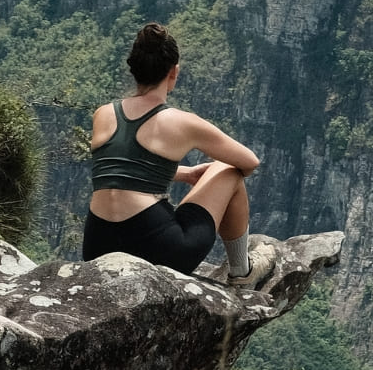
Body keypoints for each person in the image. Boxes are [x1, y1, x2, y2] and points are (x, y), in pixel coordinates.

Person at [82, 22, 265, 282]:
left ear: (134, 70)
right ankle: (242, 273)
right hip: (160, 252)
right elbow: (249, 162)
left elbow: (120, 168)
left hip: (97, 249)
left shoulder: (104, 114)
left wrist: (185, 174)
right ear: (174, 72)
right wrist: (207, 174)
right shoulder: (182, 122)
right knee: (227, 169)